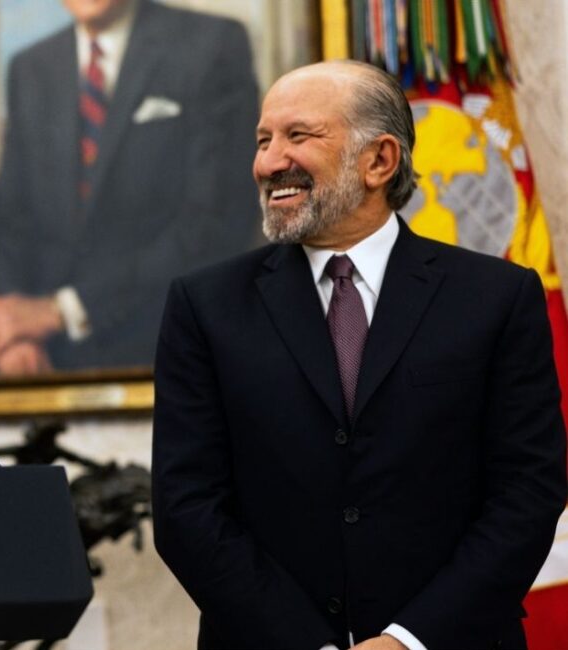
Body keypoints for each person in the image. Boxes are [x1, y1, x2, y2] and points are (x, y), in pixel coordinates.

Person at [152, 60, 567, 649]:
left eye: (298, 136)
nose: (269, 162)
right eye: (263, 140)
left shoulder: (497, 298)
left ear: (380, 161)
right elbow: (187, 509)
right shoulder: (205, 305)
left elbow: (527, 494)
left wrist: (405, 640)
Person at [0, 0, 260, 376]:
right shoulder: (31, 66)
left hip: (150, 317)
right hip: (30, 321)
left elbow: (213, 226)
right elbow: (5, 222)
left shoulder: (211, 44)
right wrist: (14, 331)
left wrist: (63, 312)